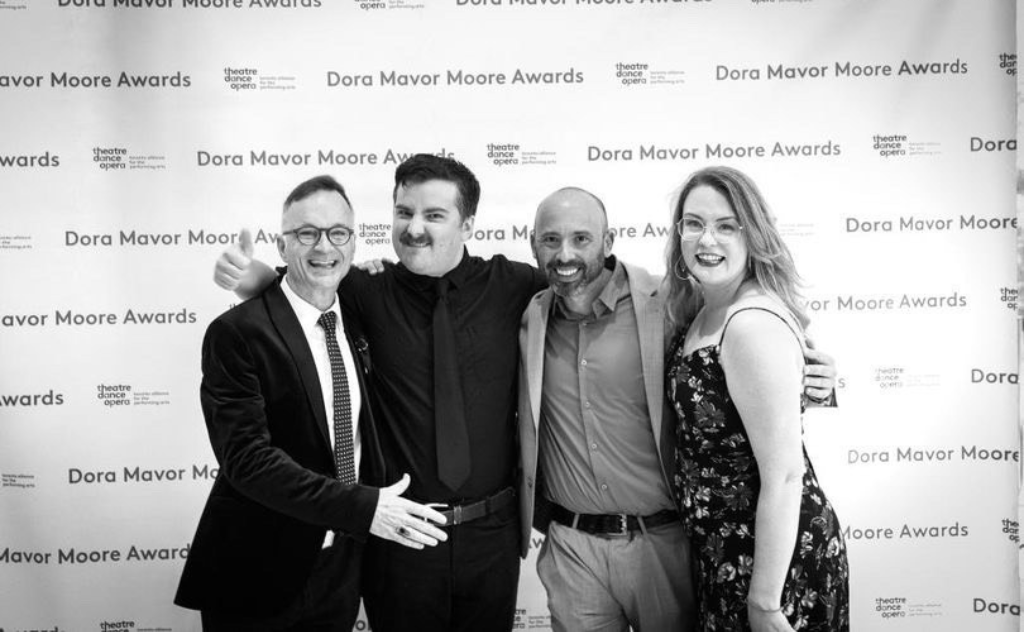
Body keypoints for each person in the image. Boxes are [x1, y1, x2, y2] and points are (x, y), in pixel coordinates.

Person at [214, 156, 547, 632]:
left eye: (434, 215)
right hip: (397, 536)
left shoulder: (516, 285)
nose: (413, 228)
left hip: (491, 534)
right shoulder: (365, 289)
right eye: (403, 212)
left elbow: (581, 287)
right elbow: (304, 294)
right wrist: (258, 280)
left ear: (468, 224)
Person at [176, 175, 448, 631]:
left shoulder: (358, 318)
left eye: (338, 232)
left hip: (342, 566)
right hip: (258, 567)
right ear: (282, 248)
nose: (325, 247)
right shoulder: (238, 333)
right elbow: (247, 460)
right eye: (307, 233)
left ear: (354, 241)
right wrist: (363, 507)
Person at [663, 166, 849, 631]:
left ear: (754, 234)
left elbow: (786, 475)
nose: (707, 240)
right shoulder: (702, 309)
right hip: (723, 555)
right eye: (694, 223)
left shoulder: (749, 324)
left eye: (727, 226)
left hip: (771, 563)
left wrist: (765, 601)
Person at [518, 187, 697, 631]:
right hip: (572, 550)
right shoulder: (530, 317)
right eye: (550, 239)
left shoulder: (669, 302)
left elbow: (747, 335)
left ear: (608, 241)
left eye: (581, 239)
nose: (564, 254)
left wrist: (813, 377)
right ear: (533, 243)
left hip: (662, 544)